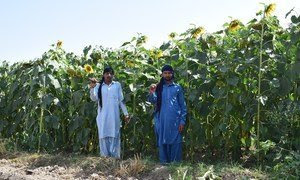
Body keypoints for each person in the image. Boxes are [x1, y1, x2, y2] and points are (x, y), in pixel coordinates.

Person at [148, 65, 187, 164]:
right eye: (165, 73)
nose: (167, 75)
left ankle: (175, 164)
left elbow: (183, 105)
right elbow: (153, 101)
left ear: (172, 74)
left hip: (175, 120)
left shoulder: (177, 87)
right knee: (163, 139)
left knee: (175, 140)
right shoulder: (158, 87)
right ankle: (164, 163)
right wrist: (152, 92)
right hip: (161, 119)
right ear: (162, 74)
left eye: (169, 73)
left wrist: (182, 121)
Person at [89, 67, 129, 158]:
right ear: (103, 75)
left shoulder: (117, 85)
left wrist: (126, 114)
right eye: (107, 73)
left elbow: (121, 100)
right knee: (103, 135)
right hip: (102, 116)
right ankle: (104, 159)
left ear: (113, 75)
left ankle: (115, 159)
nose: (109, 75)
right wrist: (92, 88)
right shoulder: (99, 86)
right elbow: (93, 98)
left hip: (114, 116)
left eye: (111, 73)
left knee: (114, 135)